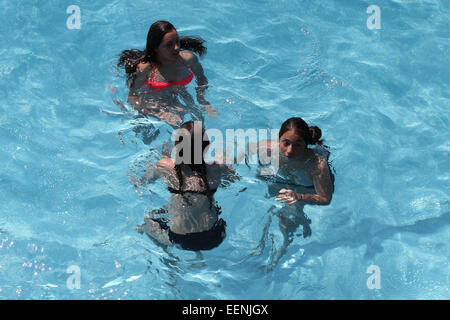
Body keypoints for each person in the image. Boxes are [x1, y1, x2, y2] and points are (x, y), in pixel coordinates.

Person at [135, 121, 238, 251]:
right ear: (206, 146)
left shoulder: (164, 166)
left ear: (177, 147)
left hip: (180, 240)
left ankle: (165, 253)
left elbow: (142, 181)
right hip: (215, 235)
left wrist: (165, 157)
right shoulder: (217, 167)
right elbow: (232, 179)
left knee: (146, 222)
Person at [250, 117, 334, 269]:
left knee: (287, 222)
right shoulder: (269, 148)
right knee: (267, 210)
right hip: (282, 181)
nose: (290, 150)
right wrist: (260, 174)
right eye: (286, 143)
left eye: (297, 145)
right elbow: (254, 157)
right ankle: (260, 245)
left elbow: (325, 198)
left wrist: (299, 196)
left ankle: (278, 255)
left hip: (305, 189)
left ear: (306, 144)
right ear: (279, 139)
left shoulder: (317, 164)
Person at [117, 20, 217, 128]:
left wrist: (203, 101)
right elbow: (132, 98)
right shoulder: (145, 69)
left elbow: (201, 79)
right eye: (169, 45)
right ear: (155, 48)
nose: (177, 48)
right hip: (153, 102)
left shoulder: (188, 60)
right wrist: (159, 113)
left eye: (177, 42)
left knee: (198, 120)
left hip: (179, 93)